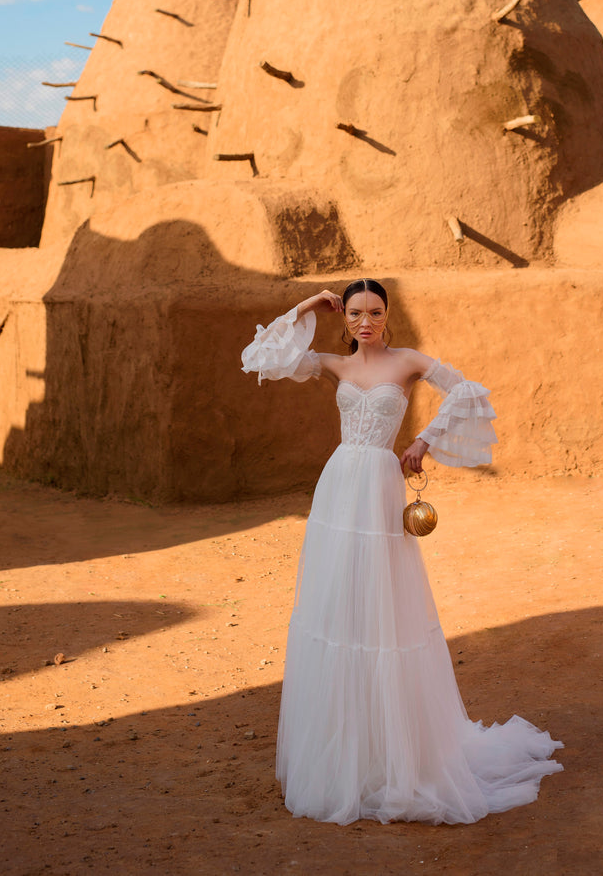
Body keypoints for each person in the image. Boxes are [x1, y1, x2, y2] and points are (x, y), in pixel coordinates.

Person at [241, 279, 563, 825]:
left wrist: (423, 440)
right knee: (337, 604)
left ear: (387, 317)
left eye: (375, 313)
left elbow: (468, 392)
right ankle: (349, 753)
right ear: (346, 319)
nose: (365, 322)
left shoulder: (408, 362)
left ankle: (397, 753)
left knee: (383, 608)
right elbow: (263, 357)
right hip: (340, 486)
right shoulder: (334, 366)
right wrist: (305, 306)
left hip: (381, 486)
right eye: (356, 314)